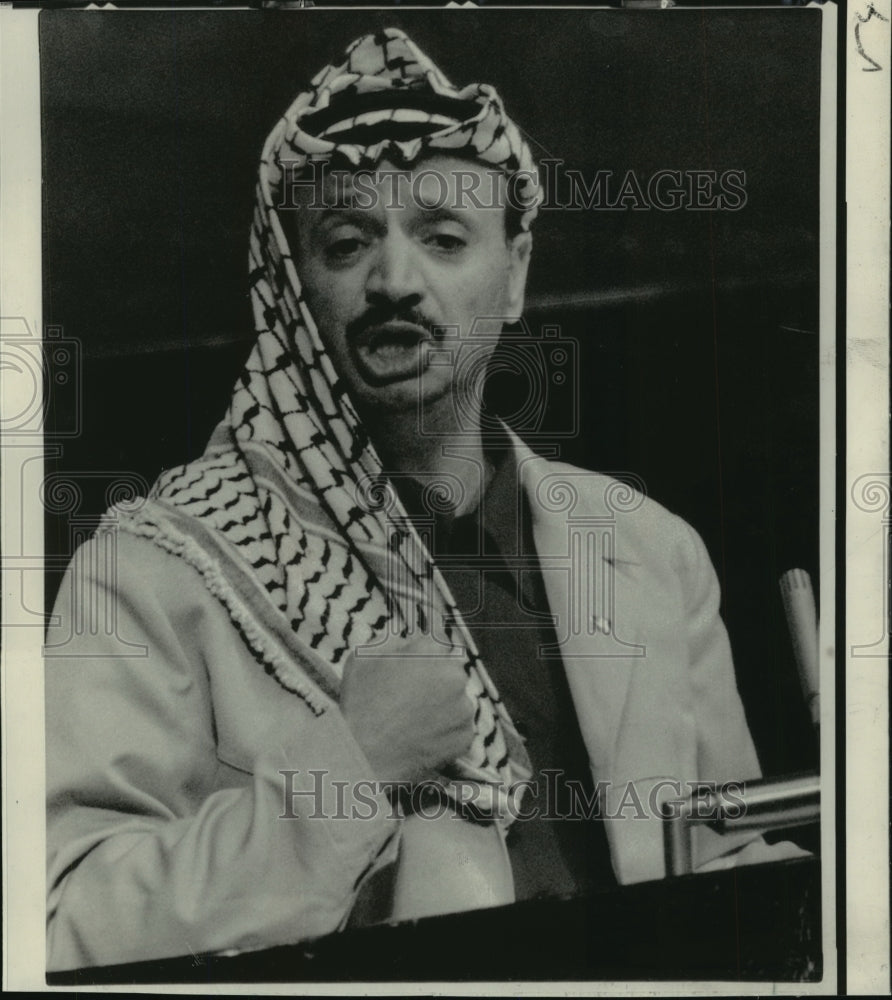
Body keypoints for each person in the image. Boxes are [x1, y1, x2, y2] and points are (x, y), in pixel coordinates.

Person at [45, 28, 804, 972]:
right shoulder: (158, 567)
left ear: (516, 271)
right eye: (347, 241)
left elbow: (723, 857)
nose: (395, 281)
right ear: (291, 285)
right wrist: (347, 773)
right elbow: (65, 922)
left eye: (444, 237)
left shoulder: (649, 550)